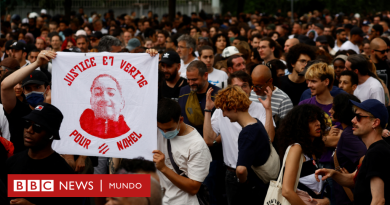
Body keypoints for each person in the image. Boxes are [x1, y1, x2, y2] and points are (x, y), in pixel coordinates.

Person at [315, 99, 390, 205]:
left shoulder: (377, 152)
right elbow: (354, 179)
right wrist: (333, 173)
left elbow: (378, 200)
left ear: (375, 122)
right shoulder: (373, 150)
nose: (353, 120)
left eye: (359, 117)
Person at [2, 102, 79, 205]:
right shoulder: (11, 163)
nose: (29, 130)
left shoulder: (64, 174)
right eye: (27, 124)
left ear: (52, 134)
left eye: (37, 127)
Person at [213, 85, 271, 204]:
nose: (223, 115)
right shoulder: (257, 123)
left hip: (250, 189)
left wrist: (243, 183)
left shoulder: (247, 134)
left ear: (234, 108)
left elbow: (240, 170)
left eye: (224, 110)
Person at [154, 98, 212, 205]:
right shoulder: (155, 130)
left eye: (169, 129)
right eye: (160, 128)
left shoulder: (197, 146)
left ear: (180, 120)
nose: (164, 133)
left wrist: (163, 168)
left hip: (182, 202)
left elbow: (193, 188)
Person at [1, 51, 54, 153]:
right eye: (28, 88)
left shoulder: (54, 113)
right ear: (23, 91)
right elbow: (4, 85)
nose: (33, 91)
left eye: (37, 87)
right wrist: (36, 63)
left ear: (47, 89)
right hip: (20, 164)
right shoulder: (18, 110)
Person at [278, 104, 330, 205]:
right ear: (300, 125)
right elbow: (287, 191)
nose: (318, 123)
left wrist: (326, 201)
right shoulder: (296, 148)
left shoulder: (311, 150)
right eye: (312, 120)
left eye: (318, 119)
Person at [328, 94, 366, 205]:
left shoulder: (348, 134)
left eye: (333, 107)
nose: (330, 110)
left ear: (342, 109)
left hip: (347, 199)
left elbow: (365, 157)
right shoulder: (349, 132)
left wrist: (355, 174)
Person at [79, 74, 130, 139]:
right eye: (97, 93)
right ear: (91, 101)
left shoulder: (128, 133)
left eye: (111, 93)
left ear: (122, 102)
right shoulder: (81, 128)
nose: (104, 99)